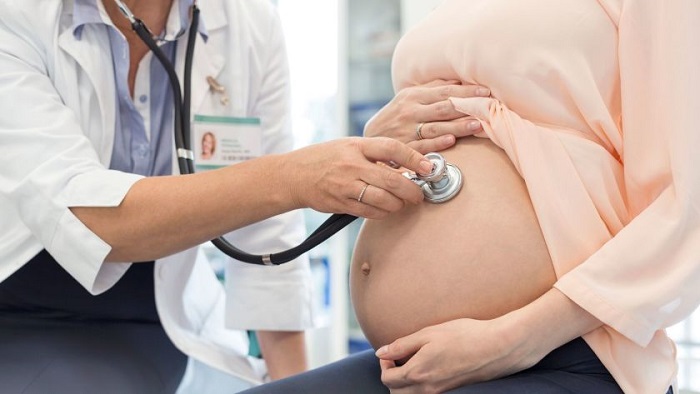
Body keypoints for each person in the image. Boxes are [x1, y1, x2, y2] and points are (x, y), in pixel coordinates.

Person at [241, 1, 700, 393]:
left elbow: (686, 205)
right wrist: (382, 140)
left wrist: (512, 340)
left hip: (563, 351)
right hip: (407, 363)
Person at [0, 1, 436, 393]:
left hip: (162, 314)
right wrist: (294, 178)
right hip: (23, 305)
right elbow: (88, 217)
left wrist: (292, 383)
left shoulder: (249, 21)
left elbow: (270, 232)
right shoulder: (17, 17)